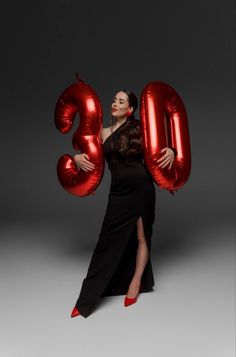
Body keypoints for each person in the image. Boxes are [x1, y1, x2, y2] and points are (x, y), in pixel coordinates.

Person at [71, 90, 175, 318]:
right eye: (114, 99)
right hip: (118, 192)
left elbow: (160, 147)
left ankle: (136, 283)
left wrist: (172, 150)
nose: (114, 103)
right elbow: (87, 152)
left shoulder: (140, 128)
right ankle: (87, 299)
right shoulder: (102, 131)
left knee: (141, 236)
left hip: (142, 189)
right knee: (106, 241)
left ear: (130, 110)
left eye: (121, 101)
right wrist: (77, 158)